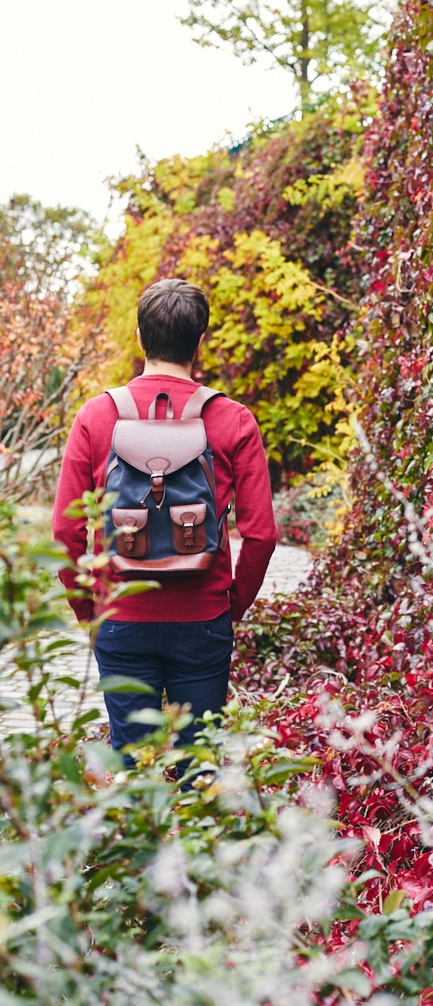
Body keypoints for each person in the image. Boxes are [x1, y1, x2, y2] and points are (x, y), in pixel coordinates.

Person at [53, 278, 278, 769]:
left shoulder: (96, 417)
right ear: (201, 341)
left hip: (121, 619)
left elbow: (65, 534)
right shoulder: (233, 419)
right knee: (199, 771)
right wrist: (230, 605)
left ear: (139, 338)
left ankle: (139, 844)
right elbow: (262, 534)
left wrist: (89, 610)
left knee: (130, 769)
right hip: (203, 621)